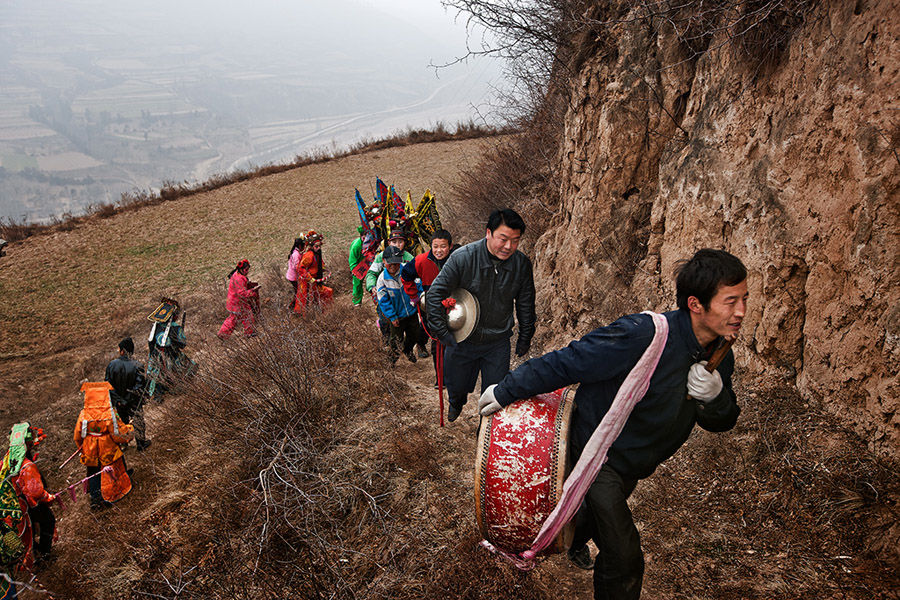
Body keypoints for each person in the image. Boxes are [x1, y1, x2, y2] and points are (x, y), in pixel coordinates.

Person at [478, 248, 748, 600]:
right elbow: (570, 361)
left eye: (744, 299)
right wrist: (507, 390)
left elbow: (722, 422)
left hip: (632, 464)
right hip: (595, 452)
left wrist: (716, 398)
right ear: (696, 304)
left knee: (591, 518)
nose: (741, 311)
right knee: (623, 555)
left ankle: (576, 537)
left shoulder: (718, 354)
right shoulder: (644, 334)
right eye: (730, 302)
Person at [425, 209, 535, 422]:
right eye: (503, 239)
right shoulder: (462, 258)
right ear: (488, 233)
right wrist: (441, 330)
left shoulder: (521, 264)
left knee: (495, 395)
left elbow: (525, 302)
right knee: (456, 385)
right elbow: (435, 293)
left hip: (497, 341)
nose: (508, 247)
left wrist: (526, 334)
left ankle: (486, 431)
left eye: (515, 241)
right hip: (462, 339)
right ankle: (456, 402)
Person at [401, 229, 454, 380]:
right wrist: (414, 296)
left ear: (450, 246)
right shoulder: (422, 260)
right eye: (435, 246)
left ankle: (455, 375)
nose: (438, 250)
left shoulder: (456, 259)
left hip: (455, 304)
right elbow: (405, 275)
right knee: (438, 341)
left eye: (443, 246)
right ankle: (441, 377)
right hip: (431, 306)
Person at [74, 382, 134, 510]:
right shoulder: (110, 413)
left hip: (90, 448)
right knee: (115, 467)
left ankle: (95, 499)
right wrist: (129, 431)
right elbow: (118, 435)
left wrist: (81, 447)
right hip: (107, 447)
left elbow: (77, 435)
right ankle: (116, 490)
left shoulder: (83, 414)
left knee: (94, 472)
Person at [3, 423, 55, 569]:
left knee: (27, 532)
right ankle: (43, 555)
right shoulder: (27, 466)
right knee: (48, 521)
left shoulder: (5, 461)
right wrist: (48, 497)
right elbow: (35, 492)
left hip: (13, 506)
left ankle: (34, 553)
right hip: (30, 504)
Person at [376, 246, 421, 365]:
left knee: (415, 334)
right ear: (384, 261)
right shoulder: (382, 280)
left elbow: (418, 284)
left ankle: (408, 350)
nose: (393, 266)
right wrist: (392, 316)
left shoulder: (407, 270)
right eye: (390, 263)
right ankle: (391, 361)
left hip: (411, 312)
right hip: (397, 316)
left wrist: (420, 299)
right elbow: (383, 301)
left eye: (396, 263)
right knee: (396, 340)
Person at [105, 337, 150, 451]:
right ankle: (141, 444)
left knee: (121, 422)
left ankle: (123, 444)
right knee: (138, 420)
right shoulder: (138, 365)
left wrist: (119, 400)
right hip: (133, 401)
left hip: (119, 402)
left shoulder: (112, 365)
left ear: (123, 351)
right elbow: (139, 386)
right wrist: (128, 399)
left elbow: (108, 385)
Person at [293, 231, 333, 314]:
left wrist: (322, 268)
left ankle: (325, 311)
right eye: (316, 246)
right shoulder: (309, 255)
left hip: (315, 281)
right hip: (307, 282)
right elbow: (300, 268)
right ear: (311, 246)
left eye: (320, 246)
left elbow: (320, 263)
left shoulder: (317, 253)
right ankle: (305, 316)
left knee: (325, 292)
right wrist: (309, 278)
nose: (319, 248)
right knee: (306, 301)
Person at [218, 259, 260, 338]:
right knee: (246, 316)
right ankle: (248, 333)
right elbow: (241, 293)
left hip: (233, 301)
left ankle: (223, 334)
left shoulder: (237, 274)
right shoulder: (239, 278)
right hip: (237, 302)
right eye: (246, 269)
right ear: (241, 269)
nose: (247, 271)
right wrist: (252, 292)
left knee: (235, 318)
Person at [285, 236, 307, 310]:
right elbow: (296, 267)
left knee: (297, 291)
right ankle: (293, 306)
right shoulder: (296, 254)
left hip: (291, 276)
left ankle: (293, 305)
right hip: (293, 277)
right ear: (300, 246)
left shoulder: (295, 252)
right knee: (298, 291)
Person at [348, 227, 366, 307]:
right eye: (364, 238)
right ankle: (357, 303)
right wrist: (355, 271)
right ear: (361, 237)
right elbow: (352, 261)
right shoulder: (356, 246)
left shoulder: (370, 243)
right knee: (357, 284)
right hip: (357, 265)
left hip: (367, 262)